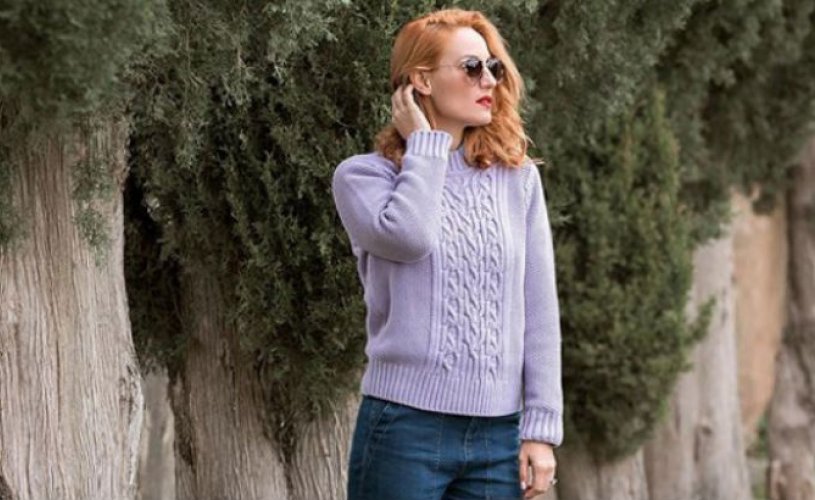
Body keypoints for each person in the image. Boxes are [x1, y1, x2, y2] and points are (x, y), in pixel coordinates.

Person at [331, 7, 563, 500]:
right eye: (471, 67)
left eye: (493, 67)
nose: (489, 81)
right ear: (421, 80)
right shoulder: (364, 177)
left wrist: (540, 430)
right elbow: (410, 238)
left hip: (498, 436)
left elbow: (539, 309)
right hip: (403, 429)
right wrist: (425, 146)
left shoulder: (517, 179)